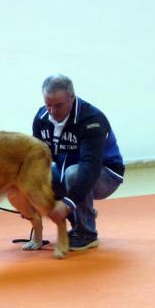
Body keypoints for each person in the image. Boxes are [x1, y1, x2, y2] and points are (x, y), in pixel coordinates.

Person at [33, 74, 125, 251]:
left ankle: (86, 234)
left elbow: (90, 167)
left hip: (105, 175)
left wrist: (67, 204)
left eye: (58, 105)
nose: (52, 111)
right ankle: (81, 217)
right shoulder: (41, 118)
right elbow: (37, 158)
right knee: (40, 176)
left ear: (71, 98)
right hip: (69, 171)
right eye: (48, 105)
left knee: (73, 174)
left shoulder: (92, 120)